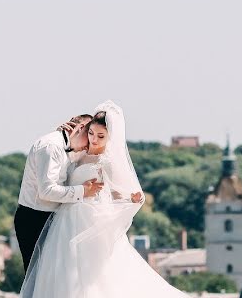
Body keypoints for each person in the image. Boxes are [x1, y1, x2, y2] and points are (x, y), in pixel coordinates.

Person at [20, 101, 189, 298]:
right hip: (64, 220)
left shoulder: (107, 162)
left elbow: (118, 192)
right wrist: (67, 140)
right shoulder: (78, 153)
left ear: (110, 137)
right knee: (59, 270)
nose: (94, 139)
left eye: (101, 136)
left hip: (88, 219)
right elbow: (62, 170)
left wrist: (131, 198)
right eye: (91, 133)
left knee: (90, 272)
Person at [14, 114, 104, 272]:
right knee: (37, 278)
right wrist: (83, 191)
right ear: (80, 128)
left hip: (51, 218)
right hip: (34, 219)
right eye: (88, 134)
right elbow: (47, 191)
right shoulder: (51, 146)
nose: (90, 143)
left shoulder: (67, 146)